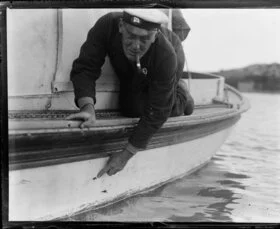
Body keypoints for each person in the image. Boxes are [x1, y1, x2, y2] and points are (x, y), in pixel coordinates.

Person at [66, 9, 194, 178]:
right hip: (137, 65)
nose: (135, 46)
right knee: (129, 108)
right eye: (131, 35)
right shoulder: (107, 25)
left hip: (168, 56)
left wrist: (125, 156)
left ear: (155, 36)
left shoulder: (166, 55)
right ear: (121, 26)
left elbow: (158, 111)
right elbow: (85, 67)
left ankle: (181, 95)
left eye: (144, 38)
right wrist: (87, 108)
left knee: (149, 107)